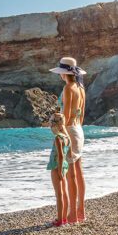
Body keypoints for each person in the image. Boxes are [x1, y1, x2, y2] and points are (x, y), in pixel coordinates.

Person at [51, 56, 87, 224]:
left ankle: (72, 215)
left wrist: (61, 133)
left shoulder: (68, 88)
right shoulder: (81, 88)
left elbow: (64, 116)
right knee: (79, 171)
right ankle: (80, 211)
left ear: (64, 73)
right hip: (79, 129)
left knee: (71, 174)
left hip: (69, 130)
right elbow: (82, 116)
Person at [46, 112, 71, 227]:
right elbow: (66, 155)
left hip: (57, 167)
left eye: (51, 124)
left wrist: (59, 170)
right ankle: (64, 218)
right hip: (64, 166)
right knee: (64, 193)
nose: (50, 127)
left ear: (54, 125)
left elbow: (60, 156)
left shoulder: (58, 138)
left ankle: (60, 220)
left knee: (59, 194)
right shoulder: (66, 137)